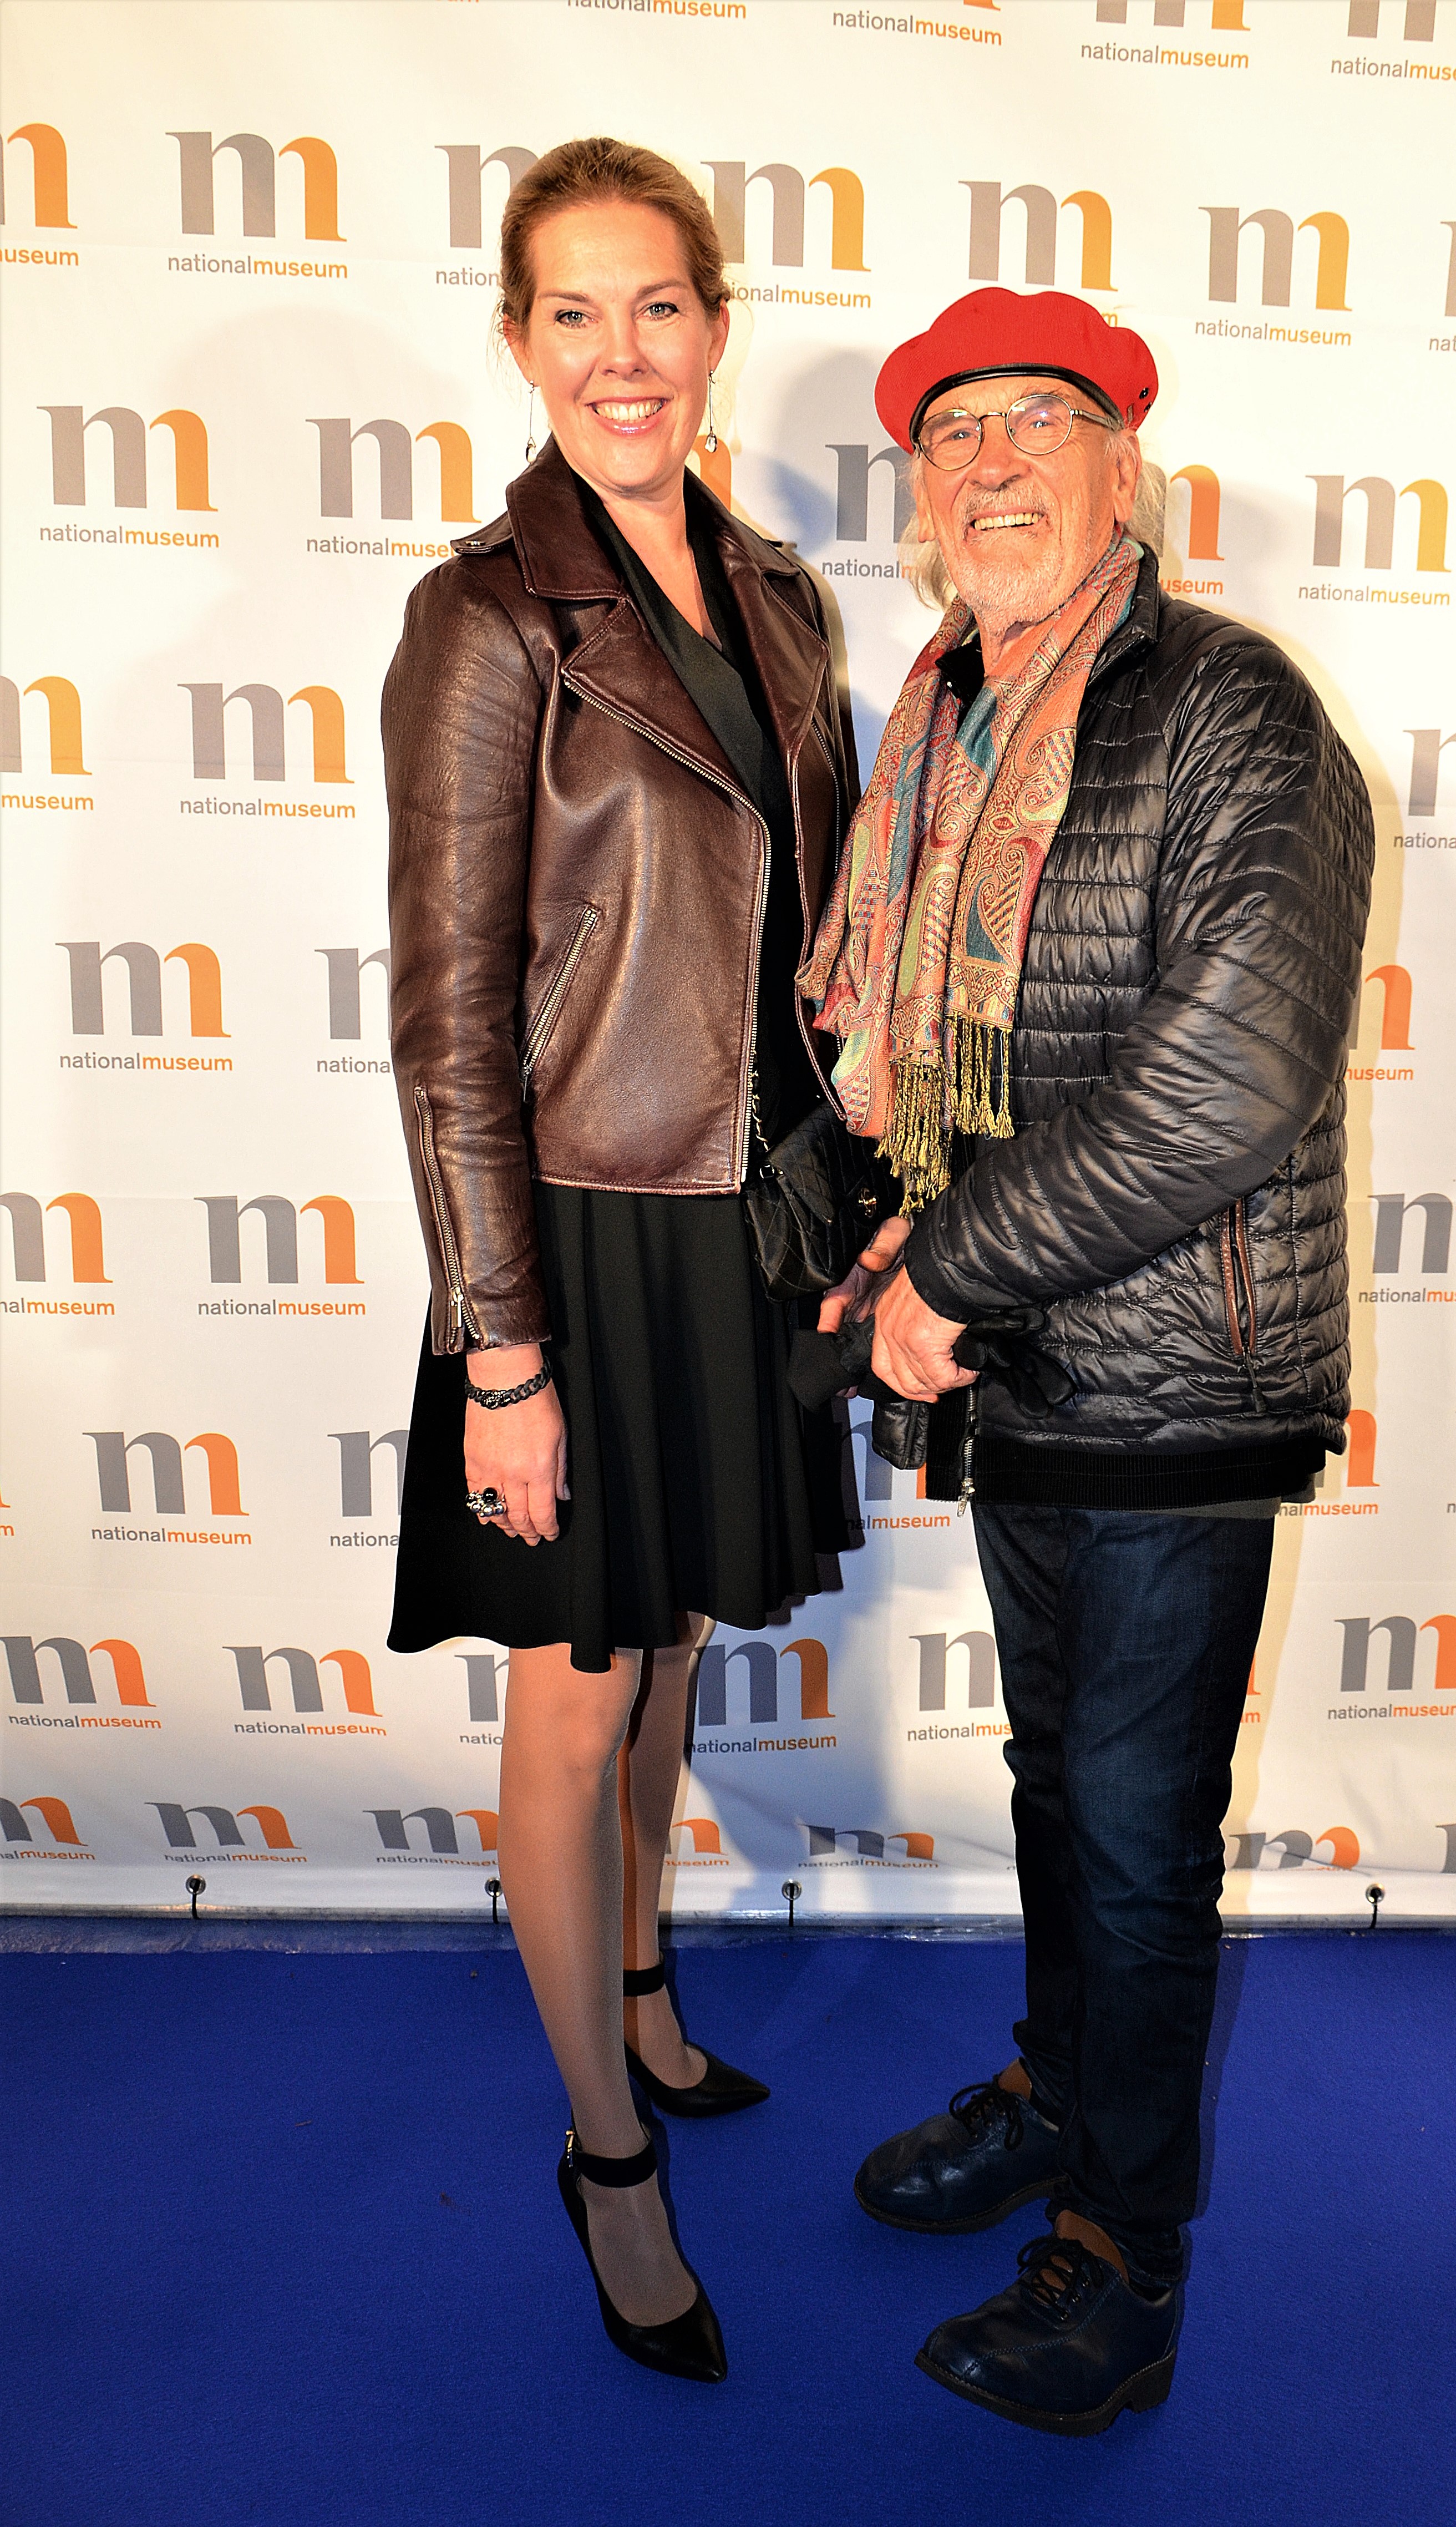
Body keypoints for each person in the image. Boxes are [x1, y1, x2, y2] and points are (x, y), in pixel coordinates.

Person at [803, 287, 1373, 2435]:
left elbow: (1226, 1080)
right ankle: (1062, 2086)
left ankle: (1123, 2263)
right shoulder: (946, 721)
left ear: (1124, 466)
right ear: (922, 494)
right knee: (1066, 1786)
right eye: (953, 435)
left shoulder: (1230, 707)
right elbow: (976, 1053)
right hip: (1032, 1372)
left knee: (1136, 1838)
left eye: (1039, 420)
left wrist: (951, 1267)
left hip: (1178, 1386)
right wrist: (914, 1234)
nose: (994, 465)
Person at [382, 136, 858, 2384]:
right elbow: (449, 1010)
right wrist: (503, 1353)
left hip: (730, 1212)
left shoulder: (774, 595)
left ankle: (648, 1987)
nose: (621, 353)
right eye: (572, 313)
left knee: (664, 1652)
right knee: (576, 1700)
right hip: (569, 1231)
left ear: (713, 322)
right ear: (518, 343)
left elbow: (802, 931)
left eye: (655, 304)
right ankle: (606, 2156)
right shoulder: (488, 619)